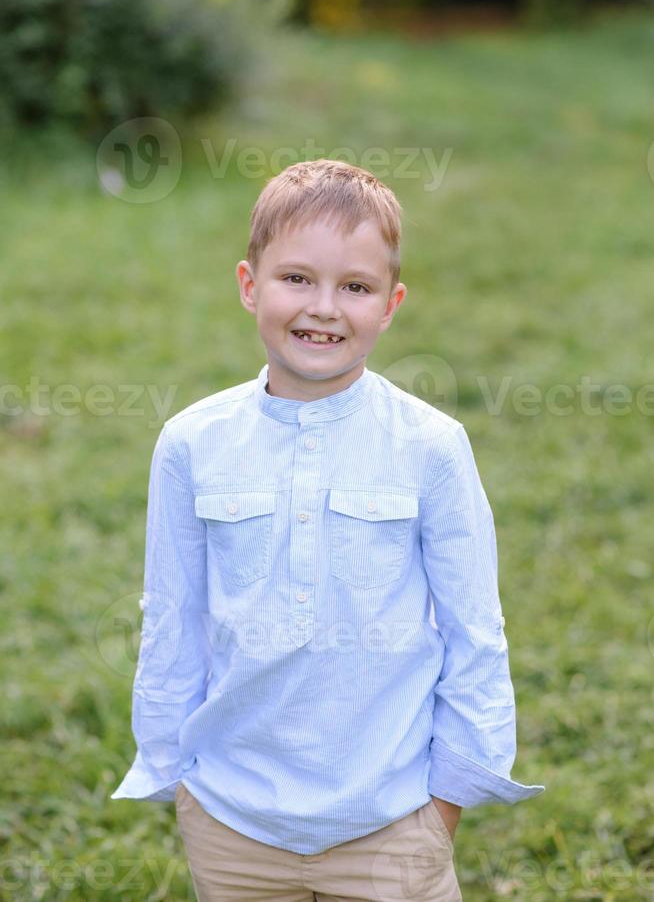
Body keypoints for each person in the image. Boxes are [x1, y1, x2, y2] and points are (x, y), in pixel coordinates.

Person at [111, 159, 545, 901]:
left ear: (391, 303)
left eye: (355, 287)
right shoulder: (191, 443)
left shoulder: (430, 446)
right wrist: (176, 779)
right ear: (250, 285)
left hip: (392, 820)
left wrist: (443, 809)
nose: (324, 308)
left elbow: (476, 631)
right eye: (296, 279)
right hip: (234, 823)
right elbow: (171, 619)